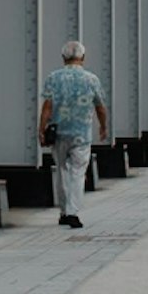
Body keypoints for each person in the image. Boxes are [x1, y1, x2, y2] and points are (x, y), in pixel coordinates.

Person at [36, 41, 110, 229]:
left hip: (58, 132)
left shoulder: (54, 77)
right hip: (81, 134)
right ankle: (72, 212)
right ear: (83, 58)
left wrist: (41, 129)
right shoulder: (91, 79)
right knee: (78, 172)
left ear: (63, 58)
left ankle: (62, 211)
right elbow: (100, 107)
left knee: (61, 170)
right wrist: (103, 126)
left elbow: (47, 107)